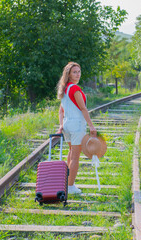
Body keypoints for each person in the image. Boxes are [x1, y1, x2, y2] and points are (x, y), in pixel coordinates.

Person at [56, 62, 97, 194]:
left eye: (79, 71)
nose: (78, 74)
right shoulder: (74, 89)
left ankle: (67, 182)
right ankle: (70, 186)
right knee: (75, 156)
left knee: (71, 152)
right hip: (77, 125)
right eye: (74, 72)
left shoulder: (64, 89)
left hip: (68, 124)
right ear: (68, 74)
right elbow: (83, 109)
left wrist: (61, 125)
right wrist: (91, 126)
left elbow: (61, 112)